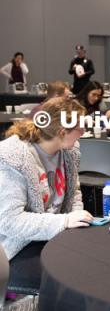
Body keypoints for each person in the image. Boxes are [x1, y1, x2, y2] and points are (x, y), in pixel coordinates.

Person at [0, 97, 93, 290]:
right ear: (62, 131)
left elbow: (73, 194)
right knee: (73, 277)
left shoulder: (69, 151)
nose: (84, 132)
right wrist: (64, 222)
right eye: (80, 128)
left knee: (95, 263)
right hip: (16, 246)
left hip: (54, 235)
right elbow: (9, 222)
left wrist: (77, 222)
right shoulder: (13, 158)